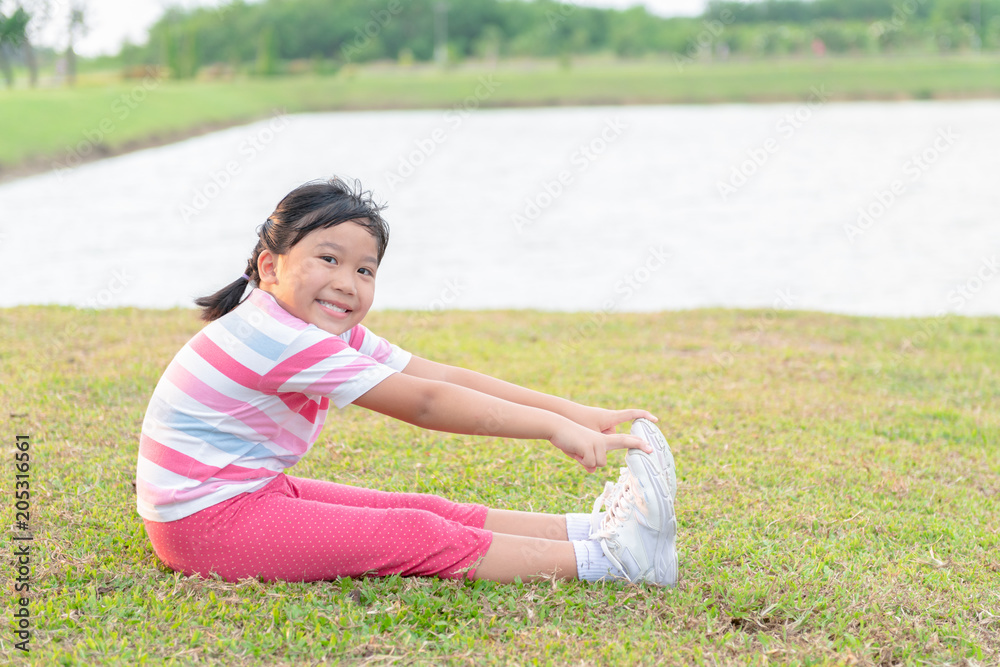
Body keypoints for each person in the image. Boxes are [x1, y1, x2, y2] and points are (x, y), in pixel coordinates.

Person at [136, 177, 678, 587]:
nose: (347, 284)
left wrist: (576, 414)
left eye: (365, 270)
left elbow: (437, 374)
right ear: (271, 266)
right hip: (207, 523)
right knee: (415, 536)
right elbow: (425, 402)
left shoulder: (309, 326)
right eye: (329, 259)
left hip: (244, 493)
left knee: (423, 508)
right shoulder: (281, 338)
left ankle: (590, 530)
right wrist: (551, 430)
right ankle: (615, 561)